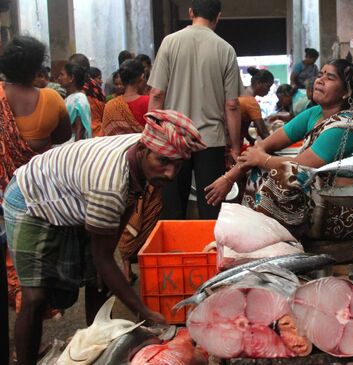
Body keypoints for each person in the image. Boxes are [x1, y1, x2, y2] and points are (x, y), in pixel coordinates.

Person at [3, 109, 206, 365]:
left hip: (73, 196)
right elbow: (103, 256)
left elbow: (129, 200)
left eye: (178, 165)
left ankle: (96, 348)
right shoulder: (109, 184)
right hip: (31, 199)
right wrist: (143, 311)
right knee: (35, 296)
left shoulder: (138, 150)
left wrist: (108, 261)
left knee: (99, 281)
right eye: (164, 161)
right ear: (143, 149)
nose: (170, 173)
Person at [205, 59, 353, 240]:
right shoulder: (315, 113)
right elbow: (263, 145)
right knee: (260, 170)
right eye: (320, 75)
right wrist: (230, 177)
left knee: (283, 176)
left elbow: (298, 166)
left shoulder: (346, 127)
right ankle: (260, 234)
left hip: (346, 213)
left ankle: (271, 236)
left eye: (330, 77)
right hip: (321, 201)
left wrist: (261, 159)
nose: (320, 80)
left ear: (346, 91)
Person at [0, 35, 71, 365]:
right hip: (35, 197)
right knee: (33, 276)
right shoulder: (52, 101)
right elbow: (62, 142)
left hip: (4, 197)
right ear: (36, 67)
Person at [148, 0, 243, 220]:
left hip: (173, 139)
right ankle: (209, 252)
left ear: (190, 12)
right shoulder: (225, 49)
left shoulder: (170, 43)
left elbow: (156, 95)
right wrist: (235, 148)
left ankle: (177, 251)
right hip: (210, 141)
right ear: (218, 16)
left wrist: (153, 136)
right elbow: (232, 105)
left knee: (173, 208)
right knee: (211, 205)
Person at [102, 59, 159, 284]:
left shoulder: (110, 106)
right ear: (141, 78)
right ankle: (148, 266)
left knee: (126, 214)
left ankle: (125, 267)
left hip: (120, 166)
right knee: (149, 214)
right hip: (146, 169)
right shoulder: (148, 102)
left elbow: (106, 139)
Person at [68, 53, 106, 137]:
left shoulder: (81, 92)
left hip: (89, 133)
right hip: (99, 132)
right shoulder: (94, 85)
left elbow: (80, 125)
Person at [59, 63, 92, 141]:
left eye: (62, 75)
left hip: (71, 145)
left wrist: (76, 150)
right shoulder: (69, 98)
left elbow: (80, 130)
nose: (59, 78)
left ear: (71, 78)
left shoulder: (79, 99)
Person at [239, 66, 272, 144]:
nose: (269, 90)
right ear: (258, 83)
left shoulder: (242, 93)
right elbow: (263, 132)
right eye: (267, 86)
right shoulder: (251, 102)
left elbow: (242, 128)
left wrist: (252, 140)